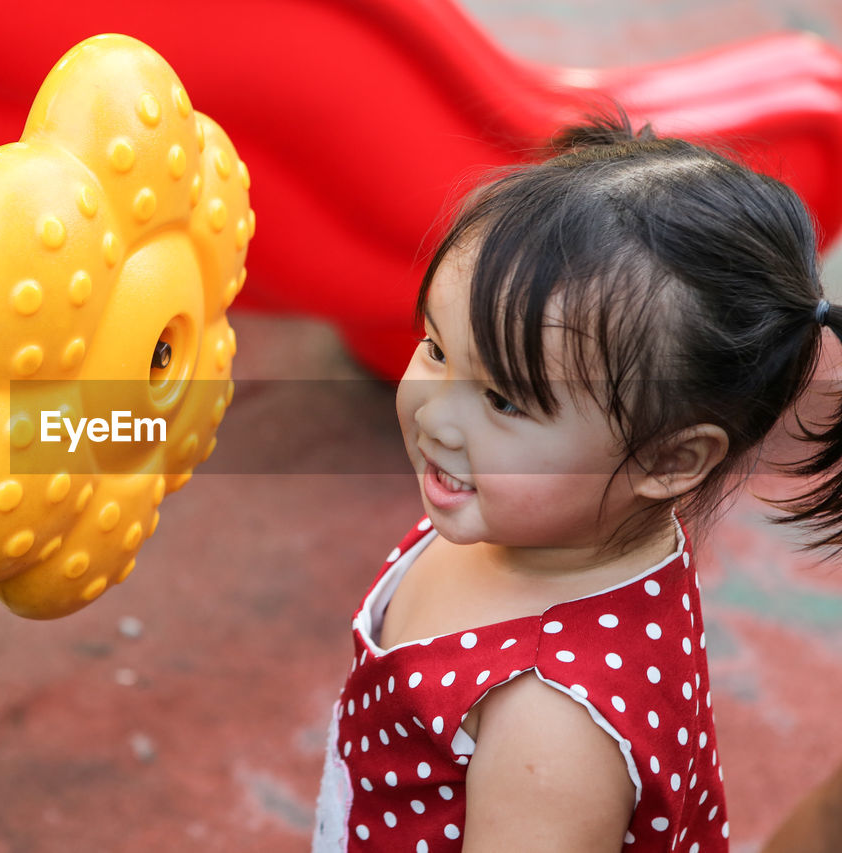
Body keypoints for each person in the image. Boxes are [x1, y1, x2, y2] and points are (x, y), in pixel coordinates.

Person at [312, 111, 841, 852]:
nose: (437, 415)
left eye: (503, 399)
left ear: (667, 460)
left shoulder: (552, 718)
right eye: (434, 346)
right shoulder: (548, 516)